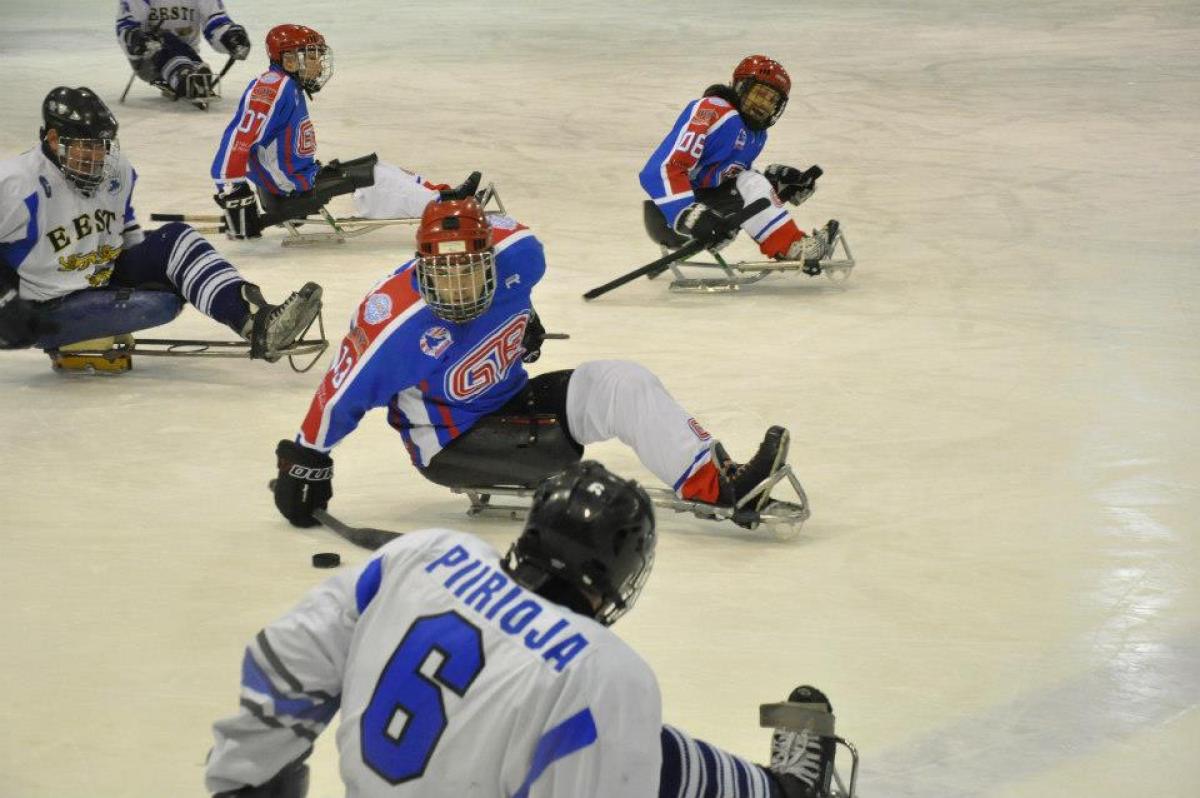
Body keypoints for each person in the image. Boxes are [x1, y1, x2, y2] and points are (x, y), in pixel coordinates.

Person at [207, 461, 842, 797]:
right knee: (611, 733)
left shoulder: (425, 555)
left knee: (628, 743)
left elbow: (283, 662)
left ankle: (777, 793)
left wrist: (247, 784)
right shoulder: (601, 673)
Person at [270, 197, 792, 531]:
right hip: (452, 443)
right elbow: (340, 393)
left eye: (468, 272)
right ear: (422, 268)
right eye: (442, 273)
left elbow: (516, 288)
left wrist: (527, 320)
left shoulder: (520, 254)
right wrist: (305, 462)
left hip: (511, 396)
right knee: (558, 453)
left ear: (491, 262)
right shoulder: (394, 322)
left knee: (623, 382)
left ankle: (720, 480)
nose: (455, 288)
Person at [0, 86, 323, 369]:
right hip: (45, 305)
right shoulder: (16, 184)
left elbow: (117, 233)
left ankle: (257, 322)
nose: (97, 156)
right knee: (161, 302)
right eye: (87, 146)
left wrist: (172, 271)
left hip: (97, 272)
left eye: (102, 146)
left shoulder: (116, 173)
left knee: (176, 239)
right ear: (54, 139)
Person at [211, 24, 473, 240]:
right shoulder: (272, 87)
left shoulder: (288, 85)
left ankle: (443, 194)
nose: (318, 64)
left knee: (378, 167)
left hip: (297, 177)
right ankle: (446, 207)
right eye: (311, 56)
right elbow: (238, 136)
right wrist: (233, 192)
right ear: (290, 60)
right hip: (291, 186)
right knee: (375, 175)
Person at [639, 55, 838, 269]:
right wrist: (688, 214)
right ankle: (792, 247)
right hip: (670, 217)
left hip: (705, 208)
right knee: (751, 181)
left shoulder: (755, 135)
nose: (764, 106)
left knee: (752, 180)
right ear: (741, 86)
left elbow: (728, 180)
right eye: (760, 95)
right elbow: (660, 170)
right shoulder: (714, 110)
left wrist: (777, 186)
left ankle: (788, 241)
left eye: (772, 101)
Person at [116, 0, 251, 103]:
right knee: (163, 37)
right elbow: (126, 26)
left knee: (177, 48)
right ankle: (183, 74)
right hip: (148, 60)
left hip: (189, 56)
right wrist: (135, 38)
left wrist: (230, 38)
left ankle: (189, 75)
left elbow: (215, 21)